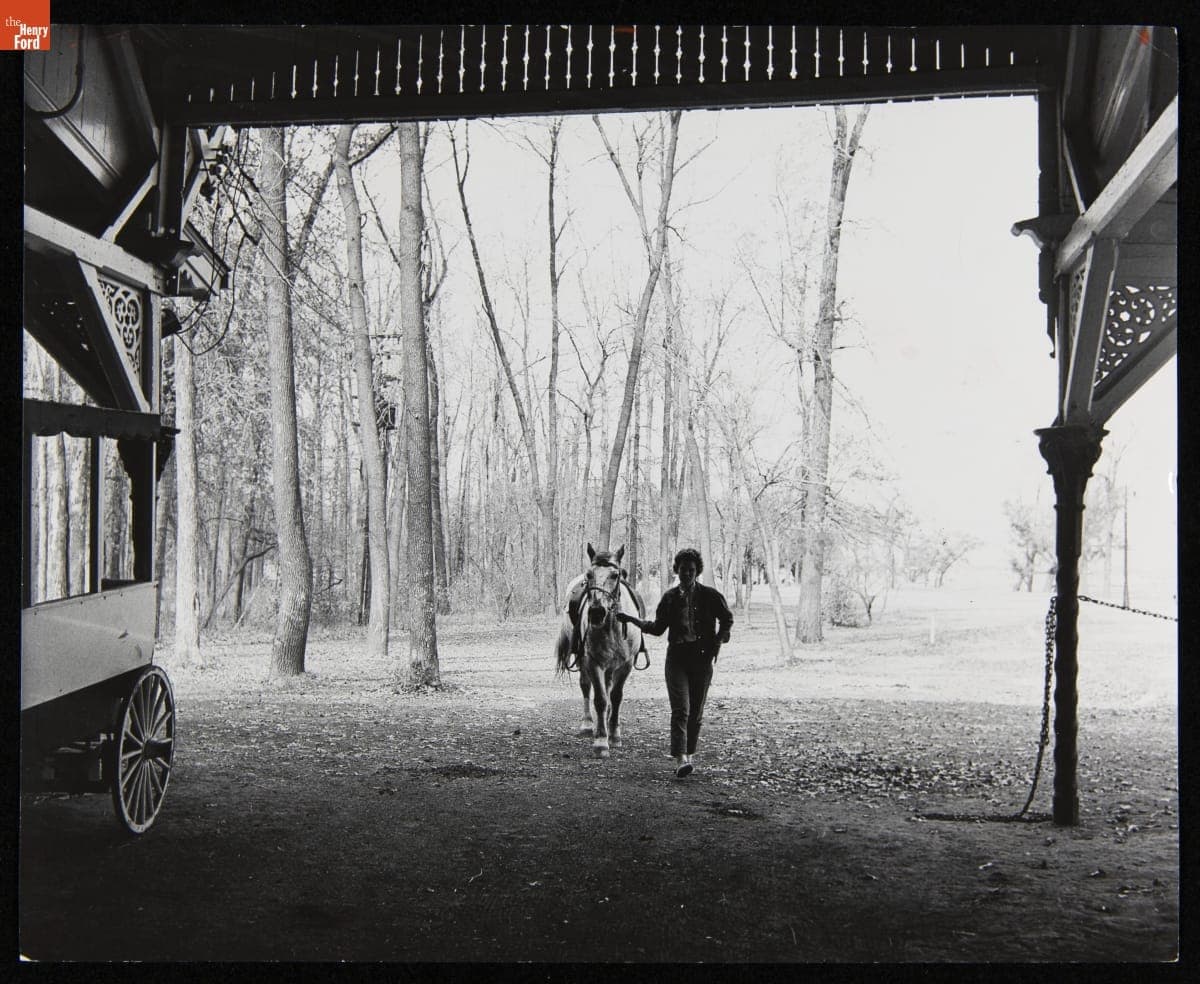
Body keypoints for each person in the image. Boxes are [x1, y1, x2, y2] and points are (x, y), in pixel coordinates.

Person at [616, 547, 732, 778]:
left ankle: (688, 753)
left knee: (696, 712)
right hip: (677, 659)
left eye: (691, 570)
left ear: (697, 571)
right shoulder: (669, 598)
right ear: (676, 571)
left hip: (701, 660)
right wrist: (631, 619)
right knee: (681, 709)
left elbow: (727, 618)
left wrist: (719, 640)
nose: (686, 574)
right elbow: (658, 628)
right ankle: (681, 759)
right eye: (682, 570)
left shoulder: (710, 595)